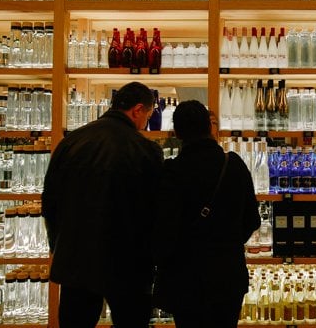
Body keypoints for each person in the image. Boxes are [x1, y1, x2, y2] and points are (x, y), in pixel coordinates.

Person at [42, 81, 164, 327]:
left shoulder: (71, 142)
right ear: (138, 110)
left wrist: (58, 245)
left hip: (77, 257)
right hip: (129, 261)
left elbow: (50, 200)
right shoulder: (146, 150)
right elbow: (155, 210)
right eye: (148, 115)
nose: (145, 123)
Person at [154, 100, 260, 327]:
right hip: (227, 275)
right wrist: (228, 242)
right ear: (209, 127)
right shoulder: (233, 165)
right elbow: (252, 219)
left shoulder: (172, 171)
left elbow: (164, 228)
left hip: (185, 277)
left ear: (177, 133)